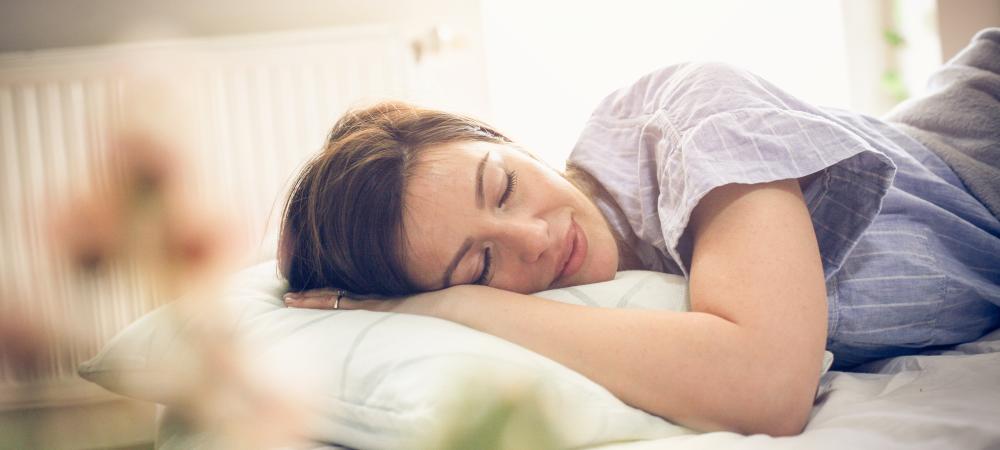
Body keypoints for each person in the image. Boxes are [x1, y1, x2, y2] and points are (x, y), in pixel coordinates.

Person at [278, 30, 1000, 436]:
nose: (532, 236)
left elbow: (768, 384)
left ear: (500, 137)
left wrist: (461, 301)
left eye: (503, 186)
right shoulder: (621, 297)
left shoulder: (685, 116)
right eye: (479, 266)